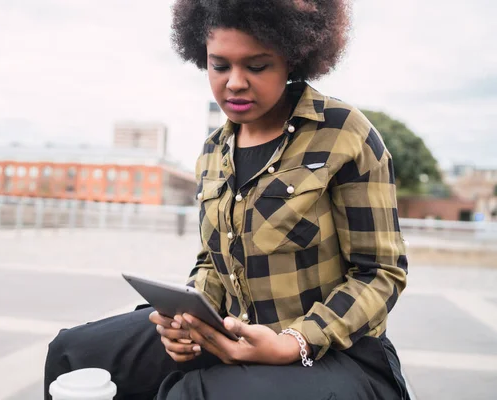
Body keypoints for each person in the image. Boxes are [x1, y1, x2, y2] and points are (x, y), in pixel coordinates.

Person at [44, 0, 410, 399]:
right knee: (73, 353)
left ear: (293, 59)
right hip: (228, 331)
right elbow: (212, 262)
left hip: (335, 354)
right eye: (220, 66)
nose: (235, 82)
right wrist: (186, 320)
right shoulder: (213, 150)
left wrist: (292, 341)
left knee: (192, 394)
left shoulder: (343, 133)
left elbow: (379, 273)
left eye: (256, 66)